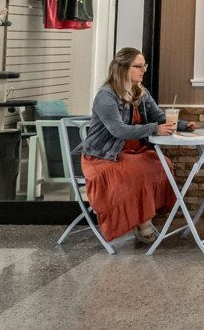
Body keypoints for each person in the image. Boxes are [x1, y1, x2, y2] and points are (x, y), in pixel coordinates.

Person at [79, 47, 196, 245]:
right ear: (122, 68)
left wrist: (184, 125)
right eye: (138, 66)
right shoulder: (106, 96)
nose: (143, 70)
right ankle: (144, 224)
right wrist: (154, 129)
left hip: (131, 152)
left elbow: (158, 117)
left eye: (144, 66)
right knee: (139, 170)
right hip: (104, 156)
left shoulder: (140, 92)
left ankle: (143, 219)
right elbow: (118, 130)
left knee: (162, 163)